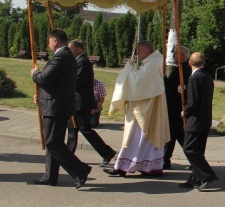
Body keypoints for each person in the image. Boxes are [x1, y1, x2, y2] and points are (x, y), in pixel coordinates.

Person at [30, 29, 92, 189]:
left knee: (52, 143)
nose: (49, 44)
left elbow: (44, 78)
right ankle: (50, 176)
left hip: (55, 106)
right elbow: (56, 82)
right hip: (57, 104)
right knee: (54, 141)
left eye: (50, 41)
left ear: (55, 41)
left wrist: (35, 73)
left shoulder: (61, 56)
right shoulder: (68, 56)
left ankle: (80, 169)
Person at [105, 40, 170, 177]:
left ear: (146, 50)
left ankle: (125, 167)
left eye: (139, 51)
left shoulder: (152, 65)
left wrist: (129, 68)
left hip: (144, 110)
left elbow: (137, 82)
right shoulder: (153, 62)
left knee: (134, 138)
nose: (137, 54)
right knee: (139, 138)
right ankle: (143, 166)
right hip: (143, 107)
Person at [66, 40, 116, 166]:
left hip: (81, 103)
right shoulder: (77, 61)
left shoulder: (83, 61)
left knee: (85, 129)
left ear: (79, 49)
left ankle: (107, 152)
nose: (69, 51)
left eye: (71, 49)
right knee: (72, 129)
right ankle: (67, 156)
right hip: (75, 102)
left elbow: (78, 81)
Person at [178, 52, 219, 191]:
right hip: (205, 118)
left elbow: (193, 101)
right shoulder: (207, 76)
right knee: (198, 150)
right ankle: (196, 178)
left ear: (189, 63)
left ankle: (207, 175)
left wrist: (185, 112)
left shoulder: (194, 78)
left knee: (189, 148)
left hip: (195, 120)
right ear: (204, 63)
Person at [163, 46, 191, 170]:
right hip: (173, 108)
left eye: (175, 54)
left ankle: (195, 158)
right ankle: (165, 160)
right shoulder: (180, 68)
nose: (173, 56)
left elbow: (174, 86)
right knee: (174, 135)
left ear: (182, 55)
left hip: (176, 108)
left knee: (177, 135)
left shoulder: (183, 69)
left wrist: (164, 80)